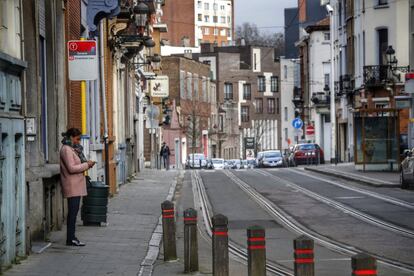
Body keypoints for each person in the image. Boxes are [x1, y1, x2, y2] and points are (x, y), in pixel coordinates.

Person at [60, 128, 95, 246]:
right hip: (72, 186)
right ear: (71, 137)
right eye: (77, 139)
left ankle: (72, 237)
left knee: (74, 213)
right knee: (72, 214)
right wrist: (86, 165)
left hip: (76, 186)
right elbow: (71, 168)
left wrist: (86, 164)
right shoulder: (66, 150)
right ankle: (70, 239)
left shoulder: (72, 149)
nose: (79, 141)